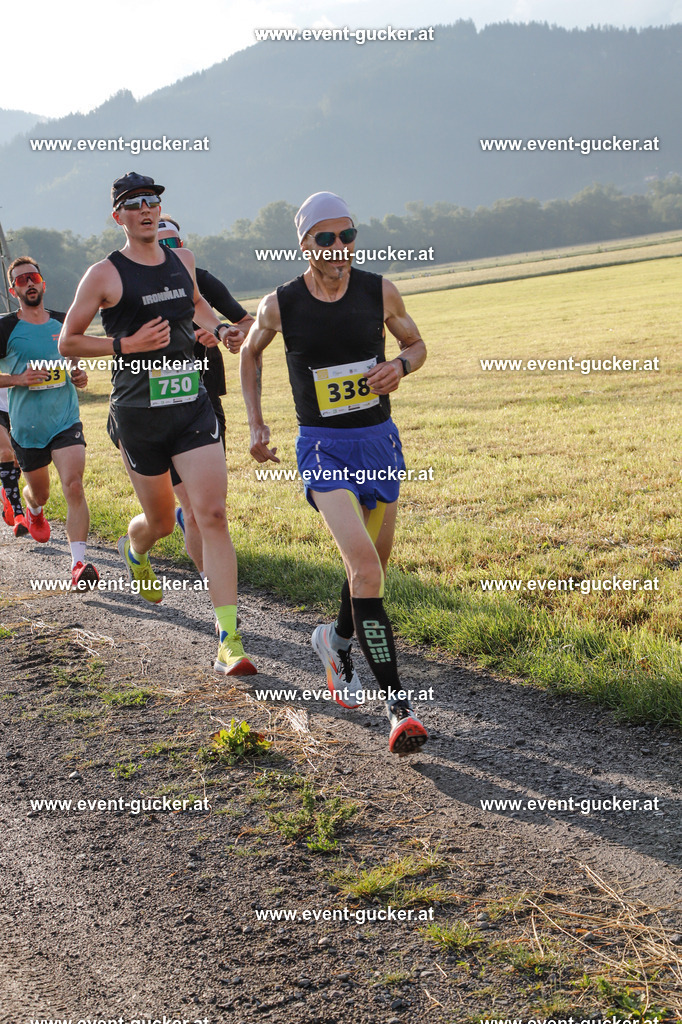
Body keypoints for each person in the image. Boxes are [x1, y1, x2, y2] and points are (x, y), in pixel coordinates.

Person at [240, 191, 428, 755]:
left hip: (379, 443)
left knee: (371, 571)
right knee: (365, 568)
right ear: (304, 244)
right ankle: (399, 709)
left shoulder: (379, 290)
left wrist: (399, 365)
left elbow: (416, 345)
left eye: (348, 235)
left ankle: (335, 640)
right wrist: (256, 425)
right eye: (327, 238)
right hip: (324, 447)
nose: (341, 247)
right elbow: (249, 354)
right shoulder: (281, 304)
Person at [59, 172, 255, 676]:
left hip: (191, 404)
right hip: (139, 416)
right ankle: (134, 547)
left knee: (211, 514)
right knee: (163, 522)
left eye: (153, 201)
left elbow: (196, 309)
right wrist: (125, 346)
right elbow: (69, 342)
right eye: (135, 203)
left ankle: (229, 638)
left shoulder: (182, 260)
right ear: (118, 216)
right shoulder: (103, 275)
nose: (146, 209)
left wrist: (222, 330)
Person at [157, 217, 254, 581]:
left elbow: (246, 322)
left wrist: (225, 333)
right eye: (162, 245)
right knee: (180, 511)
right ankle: (152, 545)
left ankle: (211, 578)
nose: (170, 253)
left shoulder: (203, 280)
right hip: (159, 403)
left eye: (176, 244)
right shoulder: (132, 284)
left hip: (206, 400)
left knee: (209, 507)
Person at [0, 258, 98, 587]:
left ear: (43, 283)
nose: (28, 283)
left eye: (33, 277)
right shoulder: (5, 328)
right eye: (20, 280)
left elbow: (72, 355)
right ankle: (34, 510)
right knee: (39, 493)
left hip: (65, 420)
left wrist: (78, 373)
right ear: (13, 290)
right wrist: (17, 378)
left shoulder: (63, 320)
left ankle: (79, 563)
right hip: (27, 428)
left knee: (73, 484)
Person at [0, 386, 29, 536]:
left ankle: (7, 490)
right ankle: (19, 516)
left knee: (18, 458)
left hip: (18, 404)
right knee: (5, 453)